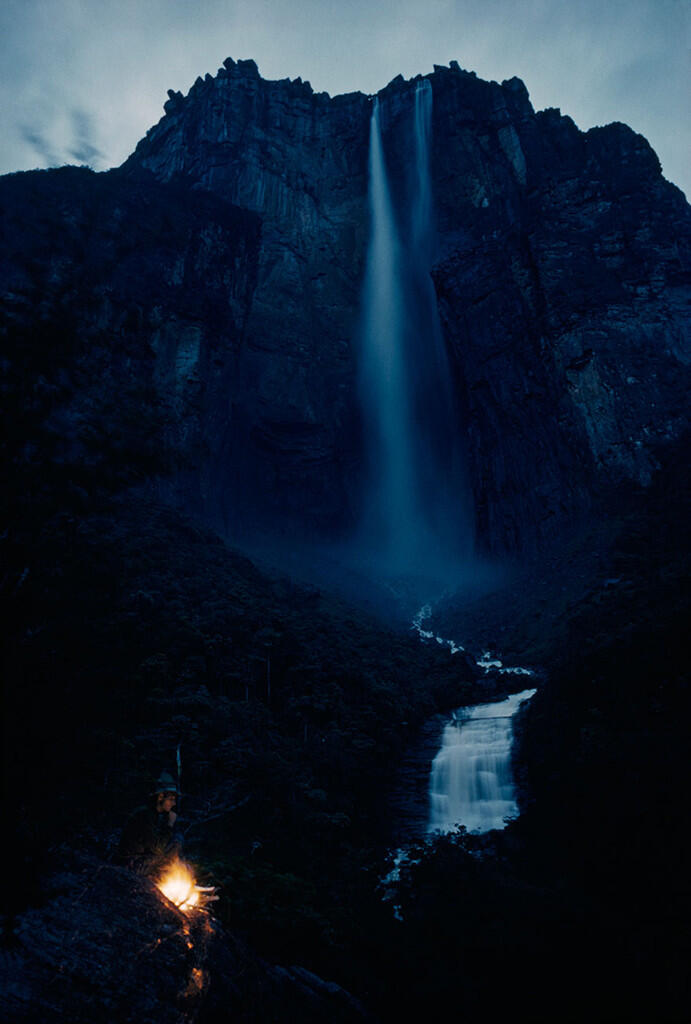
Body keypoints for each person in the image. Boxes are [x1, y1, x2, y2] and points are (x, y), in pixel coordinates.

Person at [118, 771, 182, 874]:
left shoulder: (155, 815)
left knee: (175, 845)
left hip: (140, 860)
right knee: (172, 851)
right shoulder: (143, 816)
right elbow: (158, 849)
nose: (173, 803)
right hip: (131, 864)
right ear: (160, 797)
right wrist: (170, 825)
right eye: (170, 799)